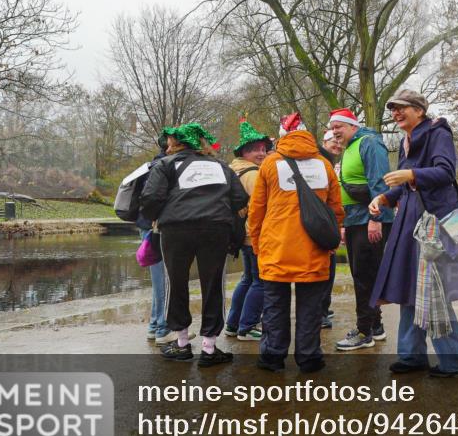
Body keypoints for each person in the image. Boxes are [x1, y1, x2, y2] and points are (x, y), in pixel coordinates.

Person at [368, 90, 458, 377]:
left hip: (433, 222)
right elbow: (405, 185)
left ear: (419, 110)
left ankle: (455, 360)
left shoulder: (437, 131)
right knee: (411, 287)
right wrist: (384, 199)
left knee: (432, 290)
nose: (395, 113)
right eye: (392, 109)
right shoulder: (406, 142)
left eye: (401, 108)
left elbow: (445, 172)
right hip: (409, 221)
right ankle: (412, 355)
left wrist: (412, 175)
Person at [140, 122, 248, 367]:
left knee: (176, 282)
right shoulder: (221, 167)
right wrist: (217, 210)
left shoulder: (165, 165)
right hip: (215, 229)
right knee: (213, 285)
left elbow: (150, 198)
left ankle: (181, 344)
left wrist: (158, 216)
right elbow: (240, 198)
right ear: (202, 143)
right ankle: (209, 348)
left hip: (176, 230)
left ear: (176, 143)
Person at [248, 113, 344, 372]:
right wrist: (331, 243)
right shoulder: (324, 166)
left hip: (276, 248)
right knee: (311, 308)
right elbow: (336, 209)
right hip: (314, 248)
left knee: (275, 306)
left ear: (281, 137)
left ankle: (273, 356)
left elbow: (256, 211)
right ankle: (309, 357)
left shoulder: (270, 164)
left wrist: (258, 246)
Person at [328, 108, 394, 351]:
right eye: (332, 128)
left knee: (365, 277)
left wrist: (375, 217)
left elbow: (379, 181)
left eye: (339, 127)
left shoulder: (369, 143)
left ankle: (364, 331)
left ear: (352, 125)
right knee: (363, 275)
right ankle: (375, 327)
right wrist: (345, 223)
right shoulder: (350, 147)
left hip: (369, 219)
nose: (335, 132)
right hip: (355, 220)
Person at [223, 120, 270, 341]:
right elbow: (260, 207)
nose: (261, 153)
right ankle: (248, 326)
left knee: (247, 279)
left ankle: (233, 324)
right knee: (260, 281)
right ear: (244, 152)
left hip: (242, 234)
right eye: (255, 149)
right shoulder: (252, 174)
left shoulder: (234, 169)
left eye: (263, 148)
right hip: (254, 235)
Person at [135, 132, 170, 343]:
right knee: (162, 280)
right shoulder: (163, 167)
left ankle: (155, 324)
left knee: (159, 280)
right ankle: (161, 328)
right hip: (156, 228)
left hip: (147, 226)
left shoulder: (153, 165)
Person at [318, 129, 343, 330]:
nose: (336, 145)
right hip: (324, 223)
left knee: (329, 269)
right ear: (323, 143)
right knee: (325, 270)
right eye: (332, 142)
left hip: (330, 222)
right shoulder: (322, 163)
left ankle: (323, 309)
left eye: (338, 142)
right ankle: (320, 313)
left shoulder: (332, 163)